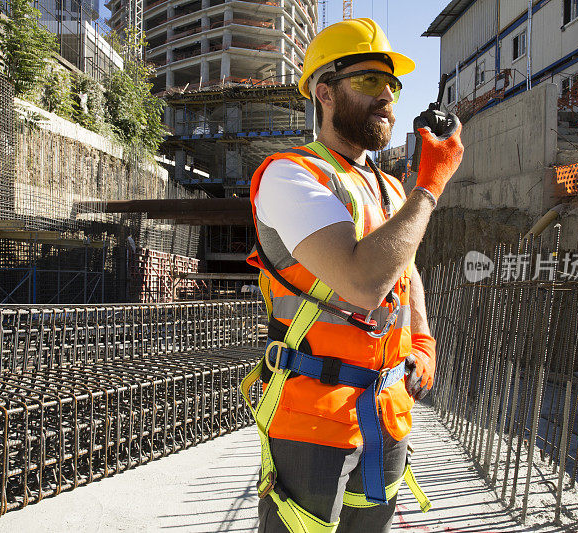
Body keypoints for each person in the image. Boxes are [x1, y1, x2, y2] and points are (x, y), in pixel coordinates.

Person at [241, 17, 464, 533]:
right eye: (368, 81)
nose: (386, 95)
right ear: (324, 92)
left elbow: (405, 274)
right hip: (312, 417)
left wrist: (424, 342)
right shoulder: (291, 175)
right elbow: (362, 283)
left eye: (392, 84)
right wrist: (429, 188)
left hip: (386, 412)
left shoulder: (388, 188)